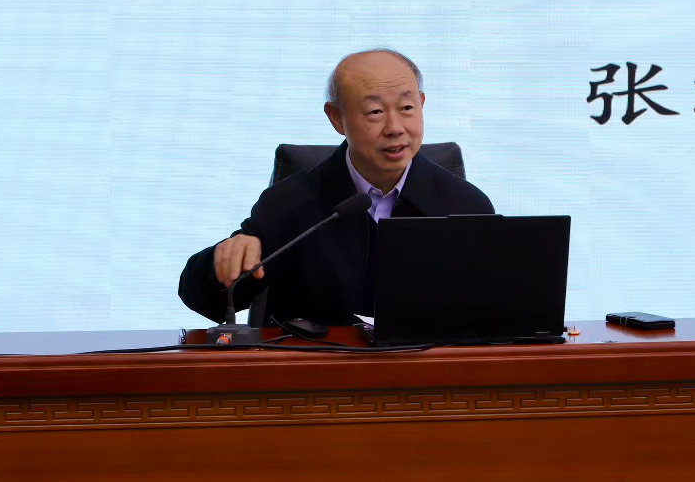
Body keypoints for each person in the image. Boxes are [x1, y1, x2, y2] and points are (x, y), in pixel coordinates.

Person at [178, 49, 494, 325]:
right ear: (337, 118)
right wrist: (221, 263)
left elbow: (491, 317)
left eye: (407, 108)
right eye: (375, 112)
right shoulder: (290, 203)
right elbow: (207, 299)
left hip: (424, 372)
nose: (395, 128)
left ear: (422, 104)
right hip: (316, 372)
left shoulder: (465, 205)